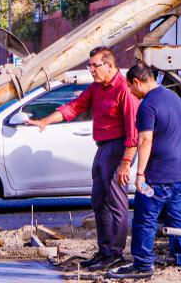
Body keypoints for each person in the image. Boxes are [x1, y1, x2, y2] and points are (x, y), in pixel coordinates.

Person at [27, 46, 138, 270]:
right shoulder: (97, 88)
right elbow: (75, 107)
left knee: (116, 202)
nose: (91, 70)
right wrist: (46, 121)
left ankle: (115, 253)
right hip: (103, 148)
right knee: (99, 200)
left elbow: (133, 132)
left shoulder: (124, 89)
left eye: (94, 66)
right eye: (90, 66)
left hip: (118, 148)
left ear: (109, 65)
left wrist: (126, 162)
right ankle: (104, 250)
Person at [109, 64, 181, 279]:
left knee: (145, 219)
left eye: (130, 87)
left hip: (157, 177)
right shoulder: (173, 98)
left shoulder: (147, 105)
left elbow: (145, 140)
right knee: (177, 217)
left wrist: (140, 174)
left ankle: (143, 263)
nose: (130, 92)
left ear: (137, 82)